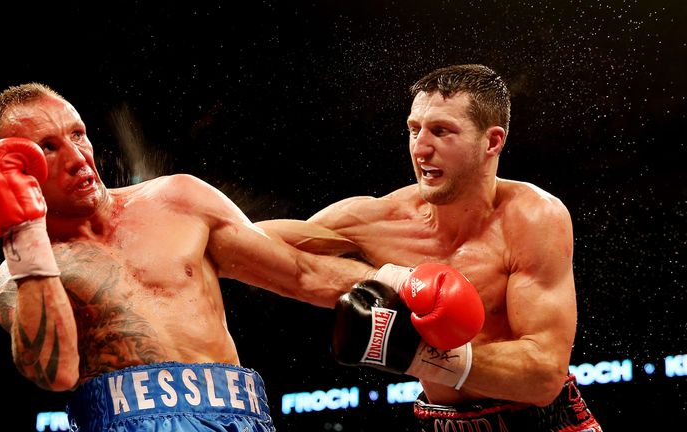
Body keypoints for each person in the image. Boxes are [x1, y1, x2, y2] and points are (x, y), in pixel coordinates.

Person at [0, 83, 483, 432]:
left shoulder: (177, 199)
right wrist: (24, 234)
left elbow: (299, 272)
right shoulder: (16, 276)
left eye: (78, 133)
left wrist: (402, 281)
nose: (78, 156)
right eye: (48, 148)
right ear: (17, 172)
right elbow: (50, 371)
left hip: (238, 413)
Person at [257, 64, 603, 431]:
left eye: (441, 131)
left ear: (492, 141)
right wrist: (380, 278)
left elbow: (543, 377)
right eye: (413, 130)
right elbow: (245, 243)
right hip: (439, 423)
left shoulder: (531, 217)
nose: (420, 148)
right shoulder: (375, 218)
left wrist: (416, 353)